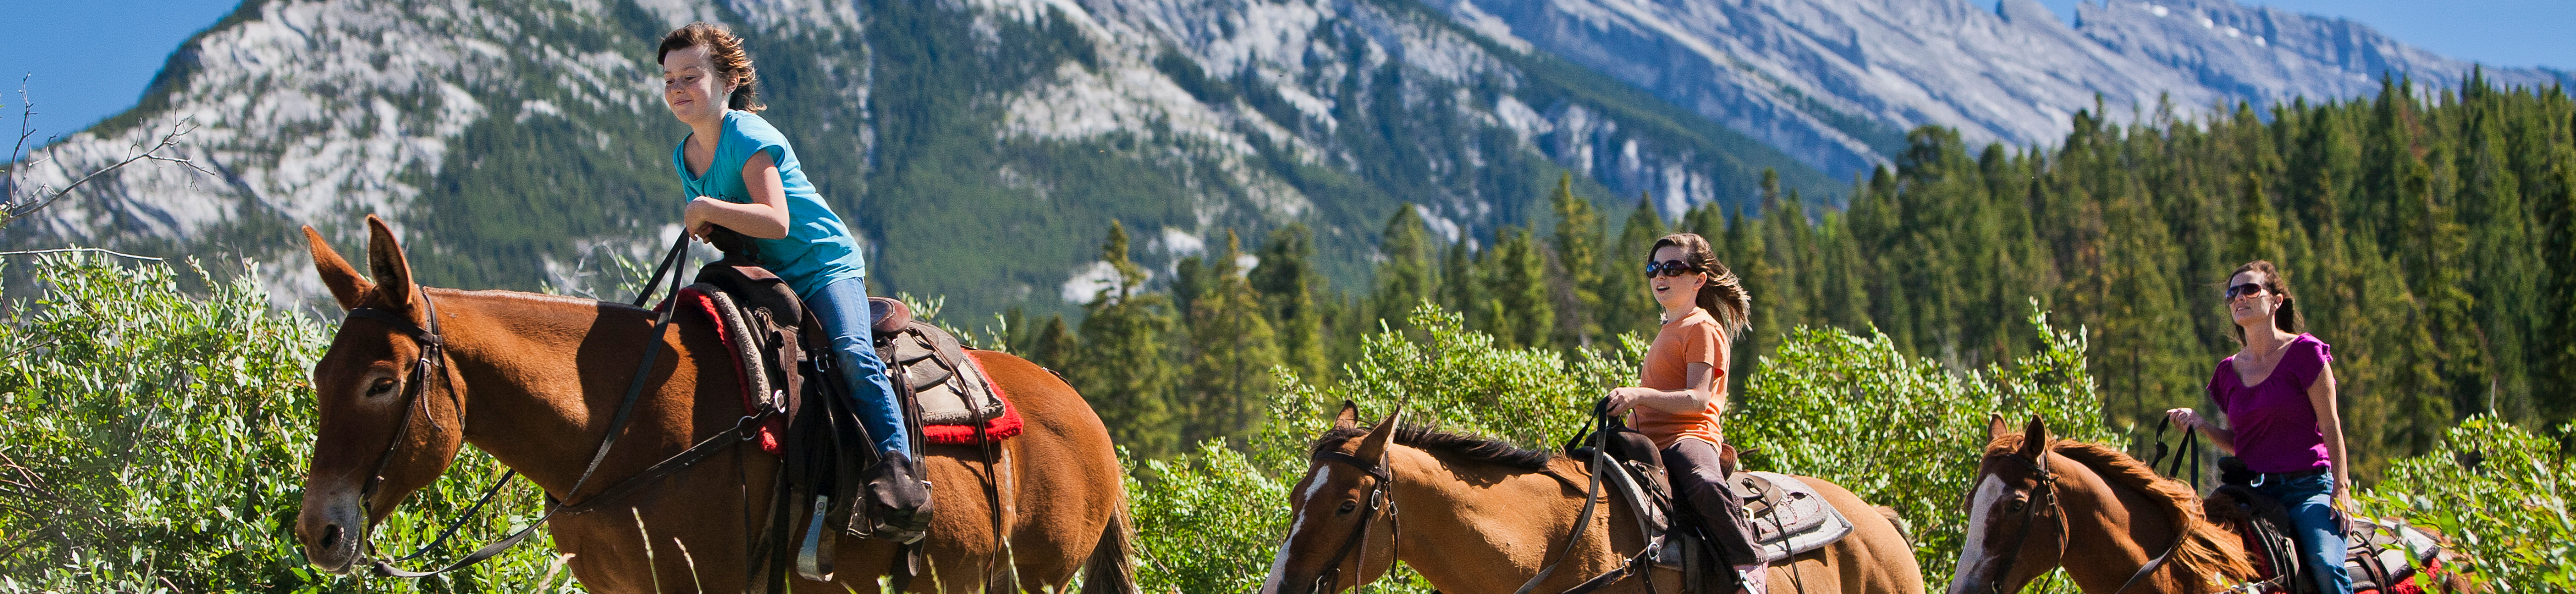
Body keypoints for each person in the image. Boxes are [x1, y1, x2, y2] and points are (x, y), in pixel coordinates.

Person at [657, 22, 928, 537]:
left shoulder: (749, 135)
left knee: (850, 349)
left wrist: (709, 208)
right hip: (768, 271)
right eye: (669, 79)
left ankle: (900, 475)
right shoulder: (685, 154)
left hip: (822, 265)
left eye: (691, 76)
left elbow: (776, 219)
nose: (678, 89)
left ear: (729, 80)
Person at [2166, 261, 2351, 594]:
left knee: (2325, 565)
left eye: (2250, 289)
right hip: (2251, 493)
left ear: (2276, 301)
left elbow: (2331, 424)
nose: (2239, 297)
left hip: (2308, 489)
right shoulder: (2227, 372)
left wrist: (2342, 488)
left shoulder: (2305, 352)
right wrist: (2202, 424)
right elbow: (2245, 444)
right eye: (2232, 292)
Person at [1601, 233, 1766, 594]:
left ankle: (1749, 564)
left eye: (1673, 268)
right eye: (1654, 268)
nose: (1661, 275)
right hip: (1647, 441)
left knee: (1703, 480)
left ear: (1699, 279)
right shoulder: (1669, 329)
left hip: (1688, 437)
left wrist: (1638, 394)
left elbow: (1698, 398)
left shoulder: (1703, 327)